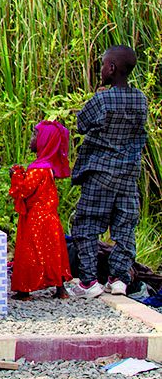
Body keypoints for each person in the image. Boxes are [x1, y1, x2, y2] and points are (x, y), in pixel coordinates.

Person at [68, 46, 148, 299]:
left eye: (103, 65)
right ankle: (119, 279)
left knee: (87, 223)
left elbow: (81, 125)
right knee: (125, 225)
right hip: (128, 173)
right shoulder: (141, 99)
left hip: (100, 171)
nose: (101, 69)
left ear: (111, 68)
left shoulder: (101, 100)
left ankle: (89, 280)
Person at [8, 120, 72, 299]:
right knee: (53, 252)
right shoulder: (49, 168)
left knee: (31, 252)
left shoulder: (37, 169)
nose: (31, 139)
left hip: (36, 219)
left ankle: (24, 290)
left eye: (35, 135)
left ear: (45, 140)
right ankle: (60, 289)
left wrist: (16, 176)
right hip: (51, 217)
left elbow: (24, 191)